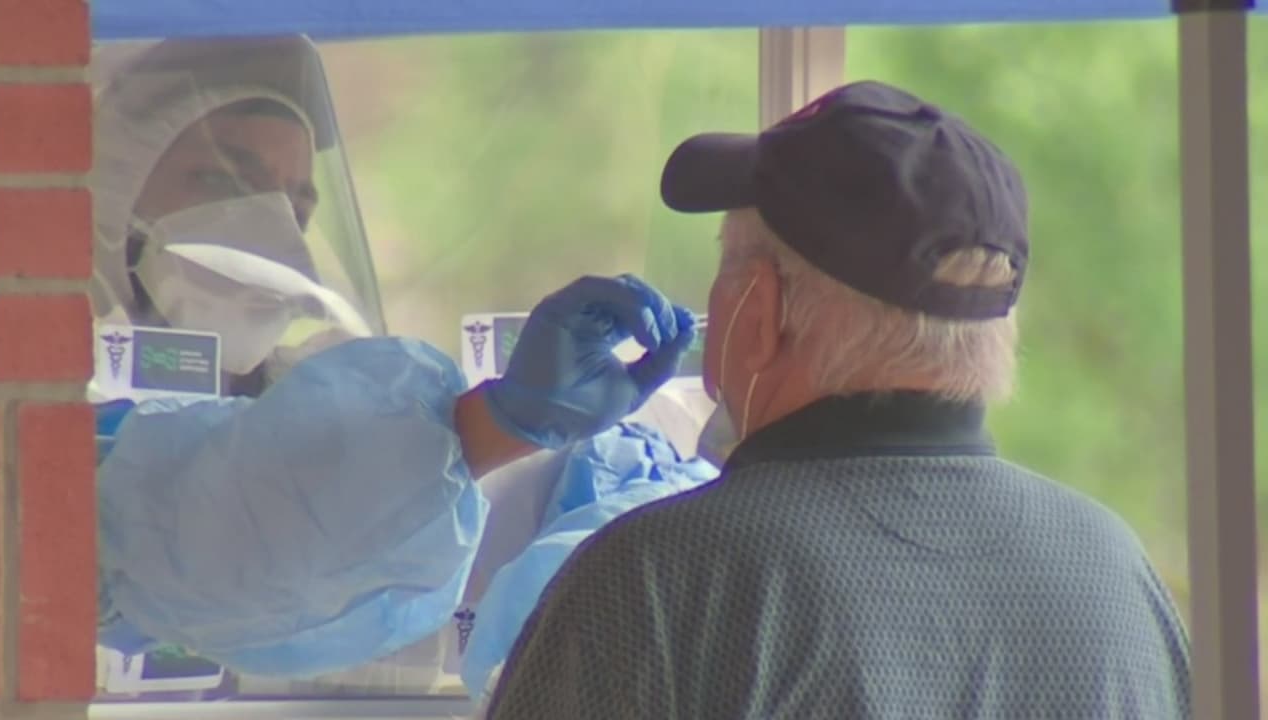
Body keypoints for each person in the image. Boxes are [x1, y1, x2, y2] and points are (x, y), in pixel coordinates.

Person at [483, 81, 1192, 719]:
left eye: (725, 268)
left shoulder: (657, 584)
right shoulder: (1116, 576)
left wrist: (489, 428)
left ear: (759, 312)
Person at [90, 35, 712, 682]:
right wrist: (489, 426)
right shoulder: (57, 414)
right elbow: (203, 520)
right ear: (110, 194)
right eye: (222, 181)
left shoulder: (330, 399)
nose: (272, 232)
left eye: (295, 204)